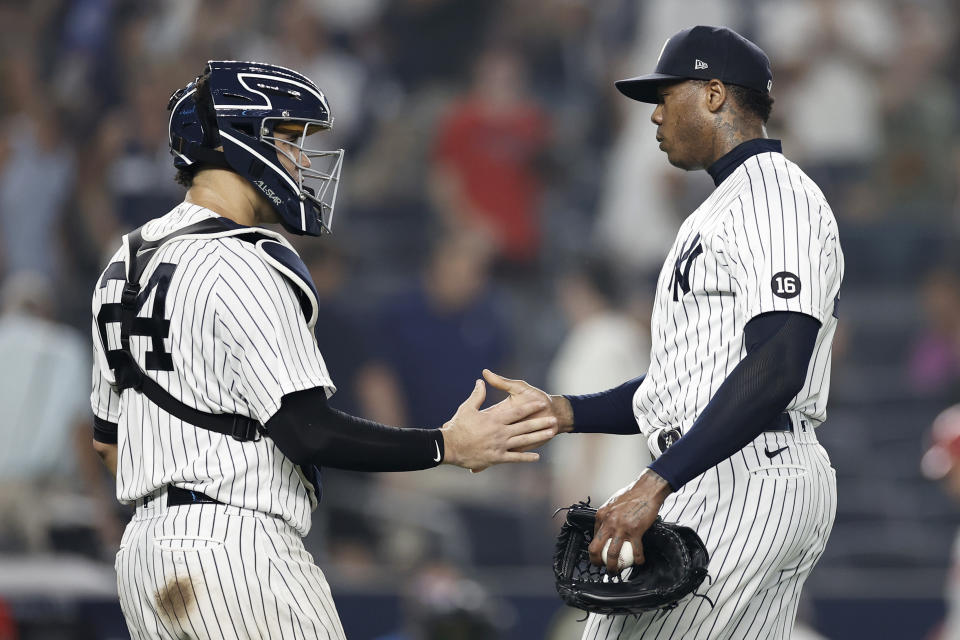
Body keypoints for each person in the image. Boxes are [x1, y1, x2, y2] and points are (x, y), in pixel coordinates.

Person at [89, 60, 557, 639]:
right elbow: (307, 430)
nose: (303, 159)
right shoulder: (246, 258)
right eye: (287, 138)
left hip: (143, 557)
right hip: (239, 550)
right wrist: (446, 445)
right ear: (239, 139)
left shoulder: (123, 260)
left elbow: (109, 446)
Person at [485, 25, 844, 639]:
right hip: (724, 463)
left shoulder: (776, 197)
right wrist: (563, 410)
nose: (653, 115)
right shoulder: (721, 207)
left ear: (712, 95)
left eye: (664, 95)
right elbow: (679, 389)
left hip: (742, 474)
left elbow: (780, 362)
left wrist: (654, 481)